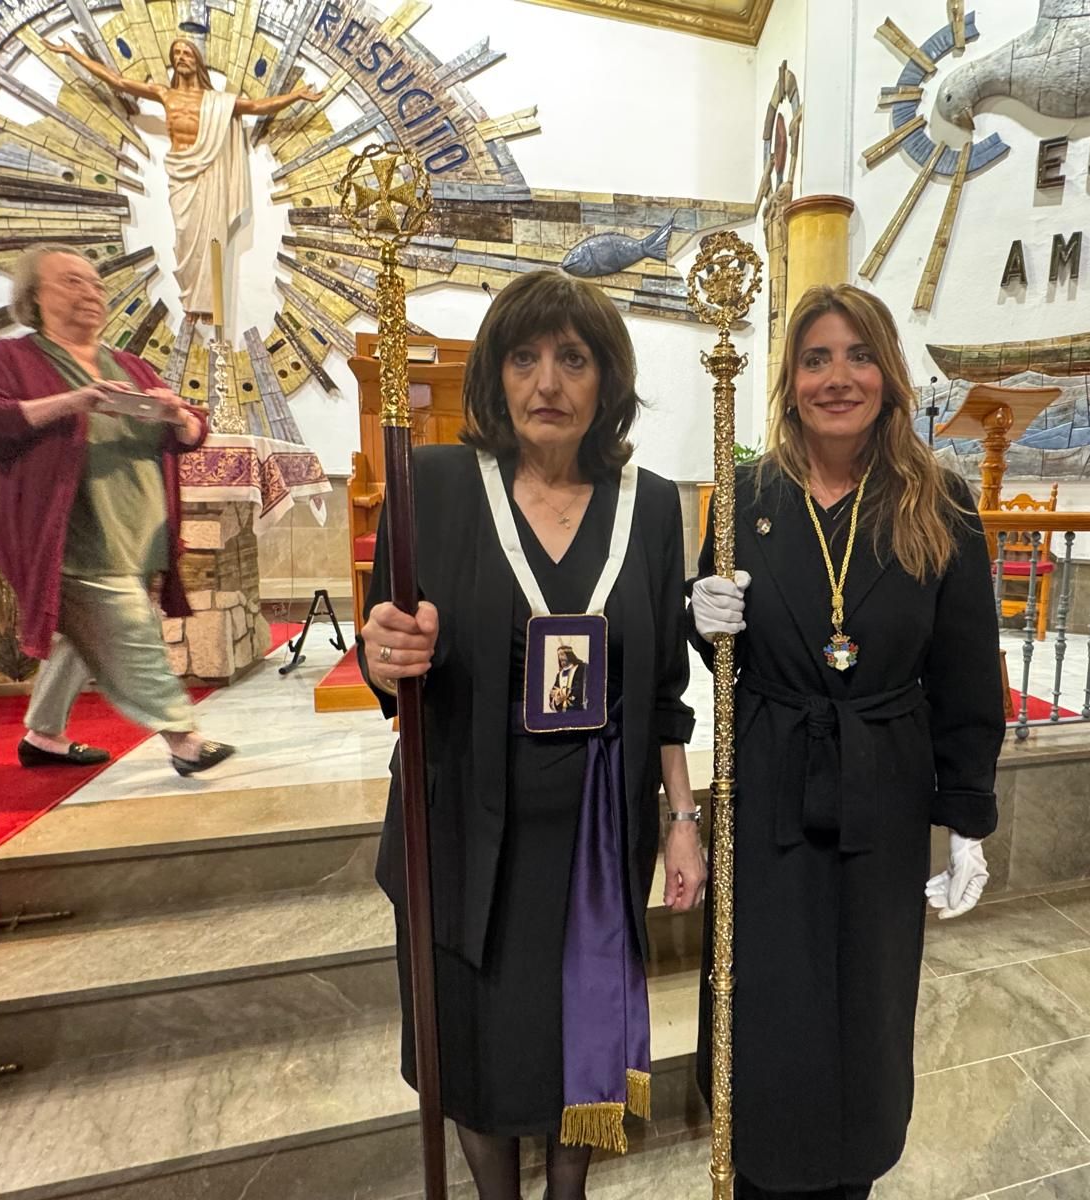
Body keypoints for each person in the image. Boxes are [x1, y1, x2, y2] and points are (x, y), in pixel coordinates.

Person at [358, 269, 705, 1198]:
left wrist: (681, 818)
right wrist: (385, 655)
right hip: (463, 827)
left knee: (574, 1038)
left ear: (607, 382)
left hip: (594, 834)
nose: (547, 383)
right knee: (473, 1048)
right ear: (495, 377)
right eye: (523, 358)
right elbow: (381, 655)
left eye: (573, 359)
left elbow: (664, 688)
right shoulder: (431, 483)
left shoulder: (655, 505)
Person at [689, 284, 1006, 1199]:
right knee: (767, 995)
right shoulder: (745, 489)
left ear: (890, 373)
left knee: (866, 1001)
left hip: (885, 781)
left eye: (858, 356)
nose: (838, 377)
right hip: (769, 775)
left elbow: (965, 674)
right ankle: (756, 1167)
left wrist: (968, 820)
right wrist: (696, 612)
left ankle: (851, 1174)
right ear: (789, 382)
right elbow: (718, 645)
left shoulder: (937, 500)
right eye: (816, 358)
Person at [0, 244, 235, 776]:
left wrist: (177, 415)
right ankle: (184, 738)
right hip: (68, 531)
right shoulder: (12, 360)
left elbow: (191, 434)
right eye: (72, 282)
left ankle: (43, 734)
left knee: (85, 631)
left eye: (96, 284)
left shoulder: (128, 364)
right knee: (126, 627)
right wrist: (74, 401)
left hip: (135, 530)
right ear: (33, 298)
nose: (90, 293)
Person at [39, 35, 320, 316]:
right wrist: (73, 53)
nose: (182, 57)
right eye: (177, 54)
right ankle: (192, 298)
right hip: (180, 175)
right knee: (185, 236)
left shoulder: (218, 101)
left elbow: (258, 107)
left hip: (208, 176)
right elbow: (119, 82)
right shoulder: (165, 94)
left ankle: (209, 302)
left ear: (197, 61)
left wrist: (295, 96)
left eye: (187, 53)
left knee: (211, 237)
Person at [550, 645, 588, 713]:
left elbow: (580, 687)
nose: (560, 657)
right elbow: (554, 690)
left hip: (576, 707)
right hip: (563, 709)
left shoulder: (580, 668)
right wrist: (554, 695)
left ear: (569, 655)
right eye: (559, 655)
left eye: (562, 654)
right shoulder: (559, 674)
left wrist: (560, 692)